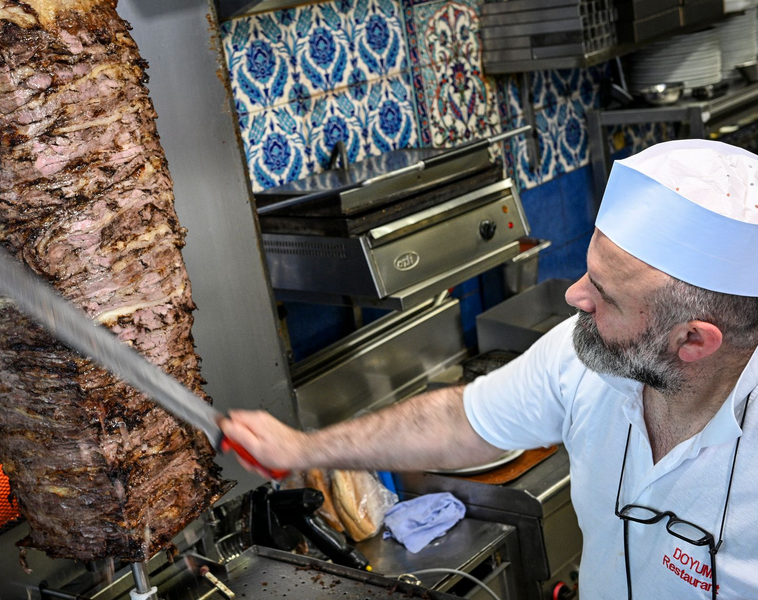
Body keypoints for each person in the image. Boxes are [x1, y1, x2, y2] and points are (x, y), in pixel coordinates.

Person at [220, 139, 758, 599]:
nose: (575, 295)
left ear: (693, 340)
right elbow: (459, 422)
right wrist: (302, 449)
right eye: (587, 272)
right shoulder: (581, 362)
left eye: (605, 295)